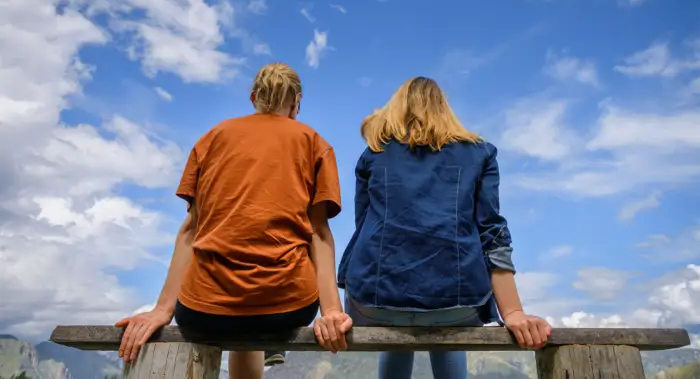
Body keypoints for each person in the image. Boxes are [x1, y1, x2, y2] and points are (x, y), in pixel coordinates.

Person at [115, 62, 353, 379]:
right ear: (297, 103)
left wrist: (161, 311)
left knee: (240, 319)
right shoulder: (314, 143)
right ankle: (271, 345)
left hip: (204, 310)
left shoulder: (212, 138)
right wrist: (332, 312)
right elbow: (318, 235)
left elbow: (190, 229)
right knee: (261, 304)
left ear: (253, 96)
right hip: (285, 308)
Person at [338, 77, 552, 379]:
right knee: (447, 317)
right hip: (457, 302)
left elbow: (364, 227)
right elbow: (492, 233)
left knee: (397, 321)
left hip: (375, 300)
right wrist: (513, 313)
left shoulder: (373, 155)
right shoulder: (481, 153)